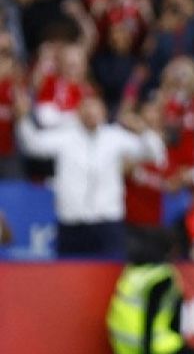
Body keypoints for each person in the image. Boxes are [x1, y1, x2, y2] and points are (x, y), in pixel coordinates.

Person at [15, 91, 165, 258]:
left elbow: (155, 154)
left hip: (107, 221)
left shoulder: (115, 137)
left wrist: (142, 128)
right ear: (79, 112)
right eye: (86, 108)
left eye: (96, 108)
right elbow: (33, 144)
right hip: (72, 222)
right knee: (68, 276)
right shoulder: (66, 137)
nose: (91, 113)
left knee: (109, 277)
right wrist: (23, 118)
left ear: (104, 112)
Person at [107, 230, 194, 354]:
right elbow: (151, 314)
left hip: (123, 348)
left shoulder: (133, 271)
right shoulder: (162, 276)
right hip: (149, 346)